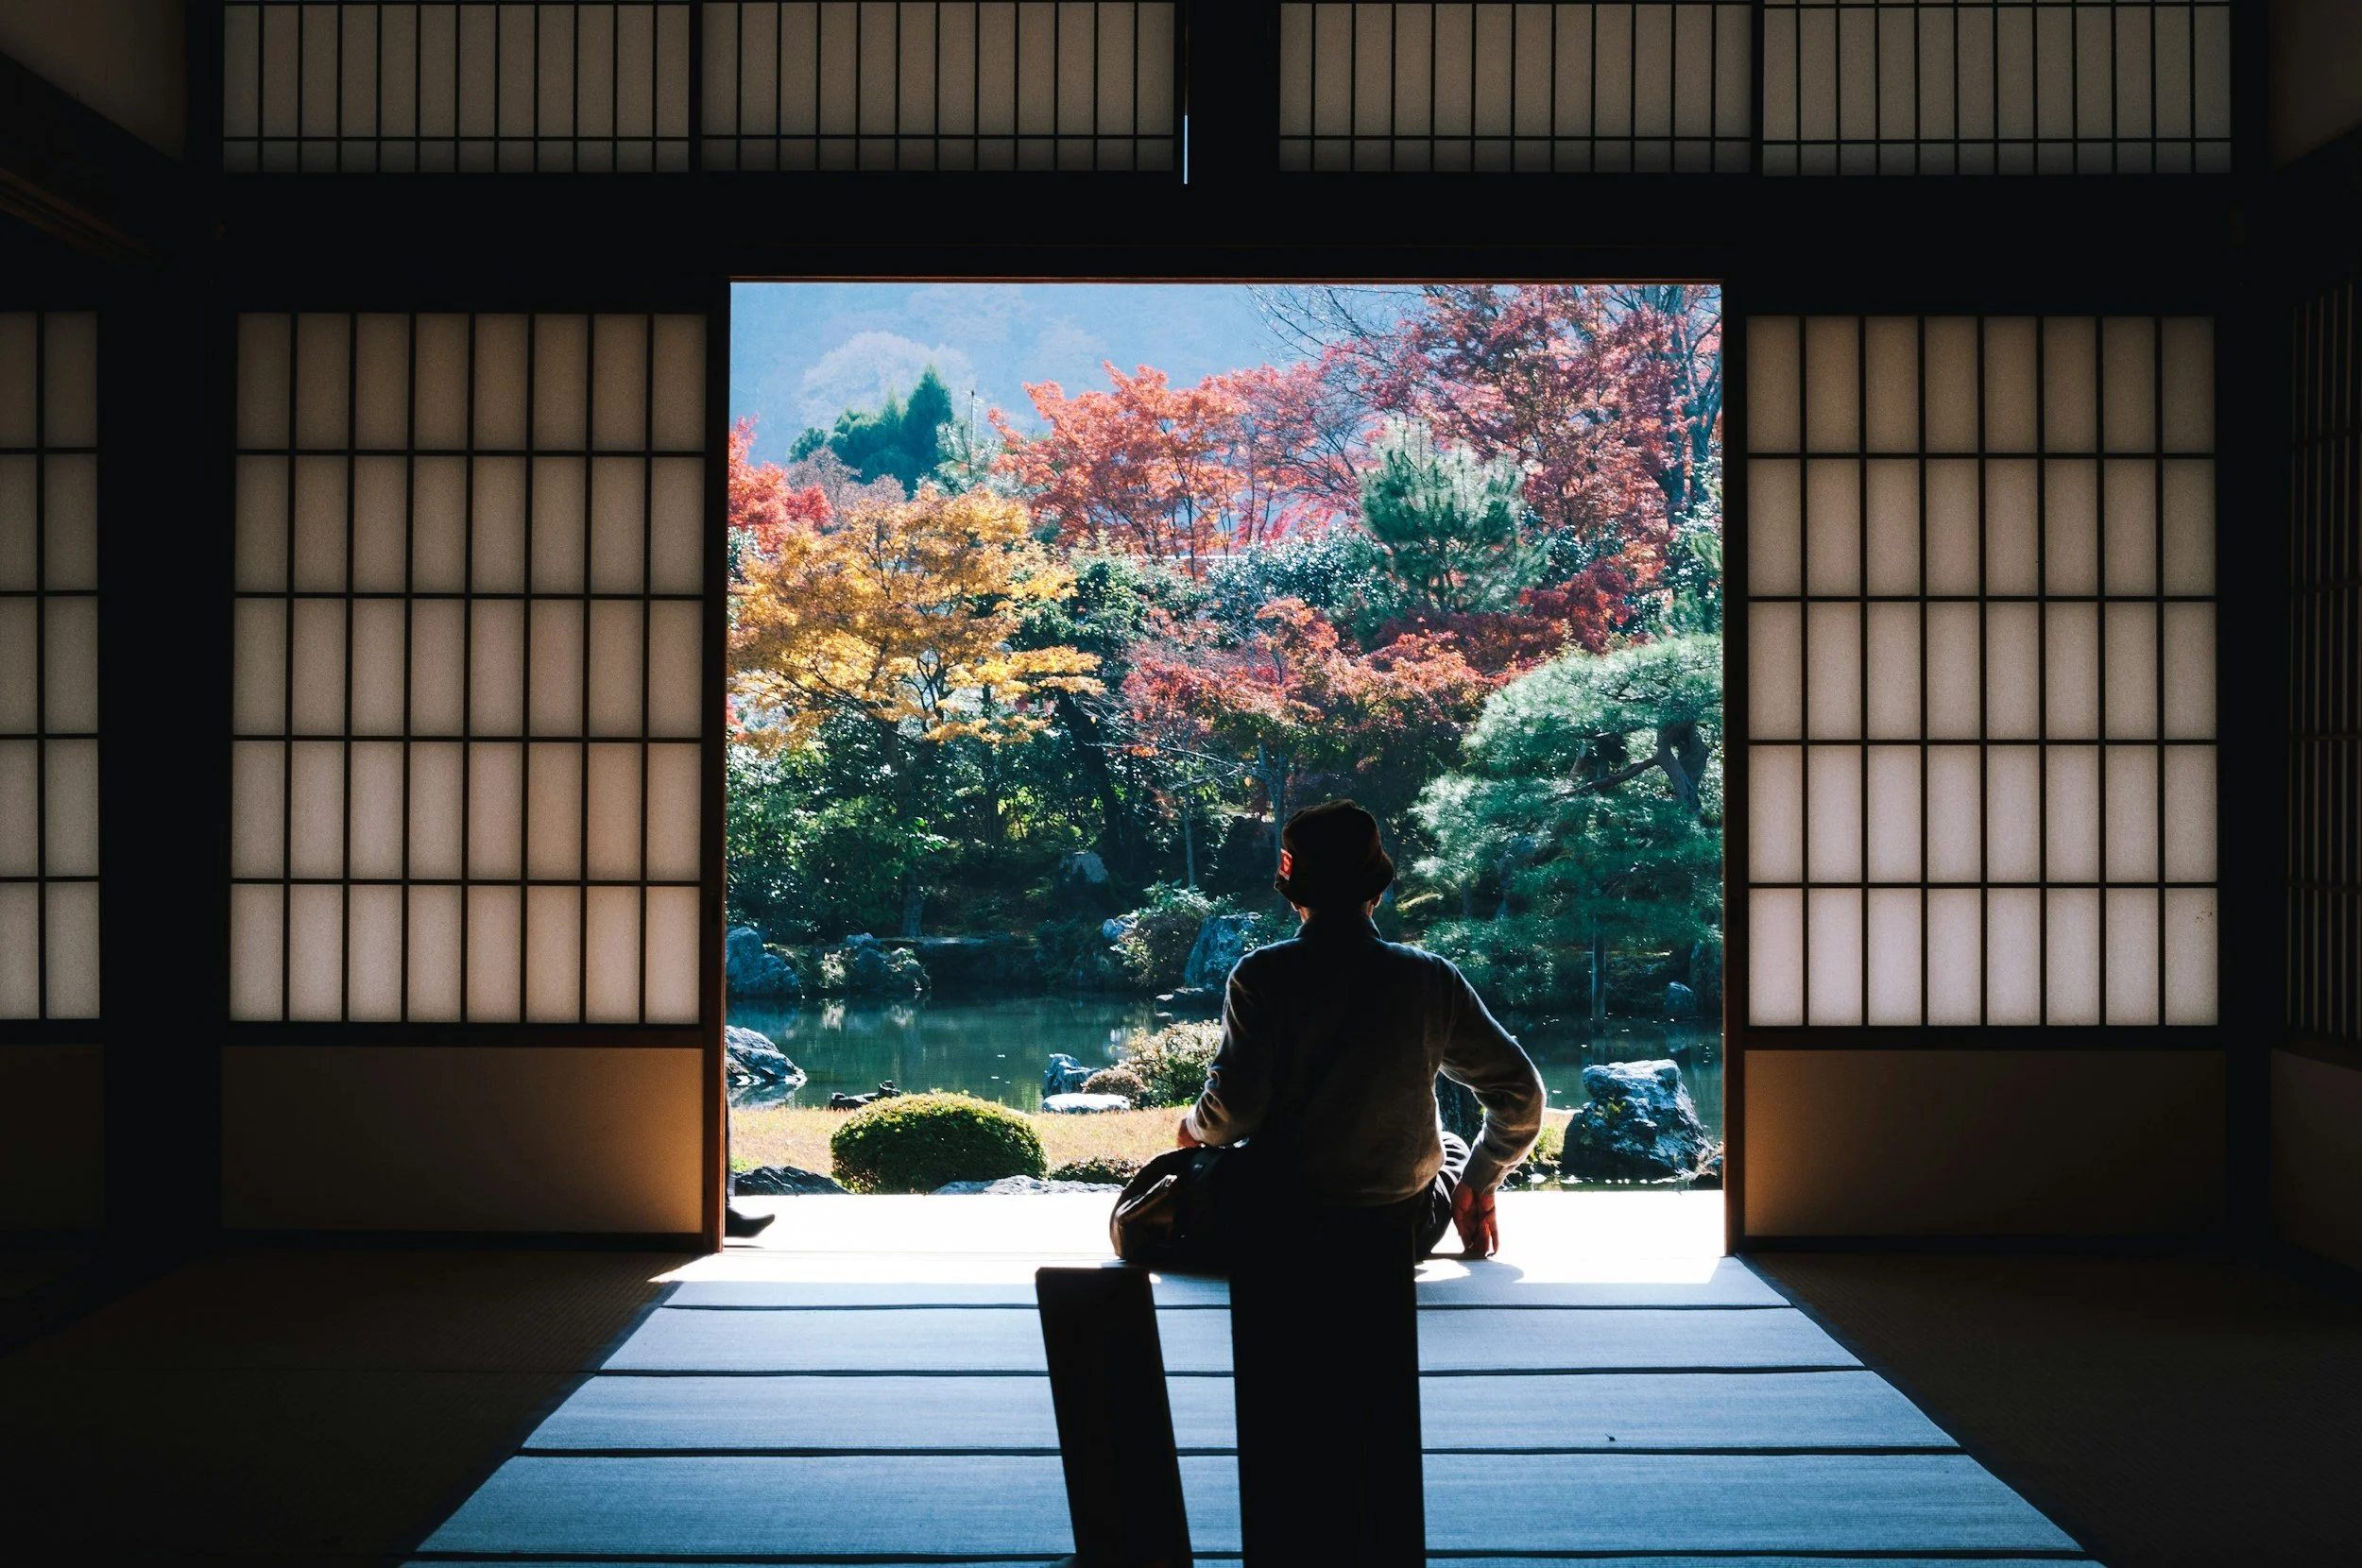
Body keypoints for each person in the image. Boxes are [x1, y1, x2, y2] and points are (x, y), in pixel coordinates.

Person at [1175, 799, 1546, 1259]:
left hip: (1279, 1225)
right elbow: (1521, 1094)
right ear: (1377, 891)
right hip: (1398, 1230)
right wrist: (1481, 1177)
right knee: (1449, 1146)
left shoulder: (1261, 975)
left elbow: (1233, 1112)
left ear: (1294, 895)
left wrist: (1193, 1126)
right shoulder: (1429, 978)